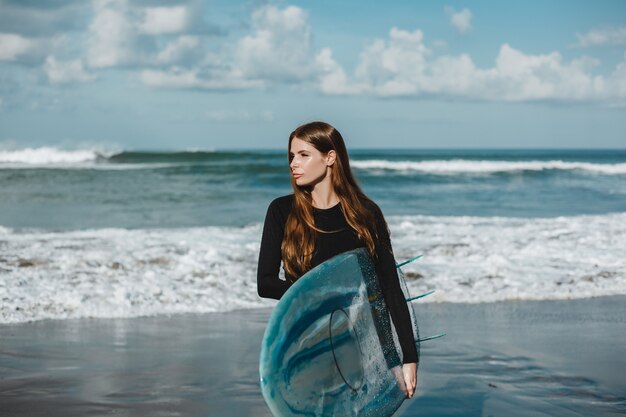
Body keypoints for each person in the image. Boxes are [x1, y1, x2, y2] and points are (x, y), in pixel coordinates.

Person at [257, 121, 418, 399]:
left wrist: (404, 359)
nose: (294, 163)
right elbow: (266, 283)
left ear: (330, 157)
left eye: (303, 155)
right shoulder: (282, 210)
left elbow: (387, 292)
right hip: (302, 341)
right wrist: (324, 294)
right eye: (291, 156)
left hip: (353, 343)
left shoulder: (365, 215)